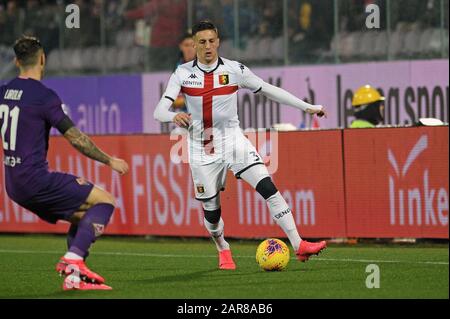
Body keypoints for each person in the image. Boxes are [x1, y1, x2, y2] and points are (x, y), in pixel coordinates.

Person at [154, 21, 327, 270]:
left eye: (211, 41)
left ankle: (298, 244)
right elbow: (159, 111)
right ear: (194, 45)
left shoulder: (234, 70)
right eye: (201, 42)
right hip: (202, 149)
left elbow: (269, 90)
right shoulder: (182, 74)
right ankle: (223, 247)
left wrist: (308, 107)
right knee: (212, 213)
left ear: (218, 42)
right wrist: (174, 116)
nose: (207, 47)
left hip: (233, 141)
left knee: (267, 186)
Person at [0, 36, 129, 290]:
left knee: (84, 217)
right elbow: (76, 138)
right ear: (43, 59)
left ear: (16, 61)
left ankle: (74, 278)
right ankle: (73, 258)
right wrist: (109, 160)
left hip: (13, 184)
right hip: (35, 179)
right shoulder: (44, 96)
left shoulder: (3, 92)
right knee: (105, 201)